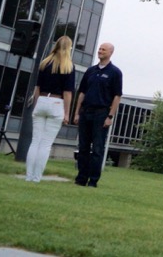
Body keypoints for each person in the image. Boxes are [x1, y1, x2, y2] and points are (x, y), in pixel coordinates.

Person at [24, 34, 75, 183]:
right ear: (69, 48)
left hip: (42, 100)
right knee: (45, 144)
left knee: (35, 141)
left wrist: (36, 106)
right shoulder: (68, 66)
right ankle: (36, 177)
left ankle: (28, 176)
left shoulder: (45, 63)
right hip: (56, 102)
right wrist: (67, 113)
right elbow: (67, 93)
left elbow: (37, 87)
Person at [72, 41, 122, 187]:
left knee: (97, 148)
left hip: (101, 114)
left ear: (110, 52)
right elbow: (82, 92)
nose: (100, 51)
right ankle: (81, 178)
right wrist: (77, 112)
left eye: (103, 49)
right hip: (86, 112)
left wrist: (110, 116)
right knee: (83, 147)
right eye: (99, 49)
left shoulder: (115, 72)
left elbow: (117, 96)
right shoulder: (90, 71)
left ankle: (93, 181)